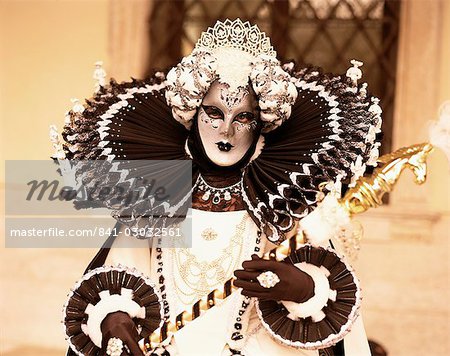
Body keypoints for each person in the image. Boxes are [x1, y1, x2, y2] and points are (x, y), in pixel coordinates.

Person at [60, 19, 381, 356]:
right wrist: (115, 317)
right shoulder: (156, 195)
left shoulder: (284, 198)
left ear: (262, 122)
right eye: (214, 113)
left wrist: (299, 286)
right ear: (191, 113)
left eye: (242, 117)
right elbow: (121, 278)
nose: (226, 131)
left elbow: (326, 288)